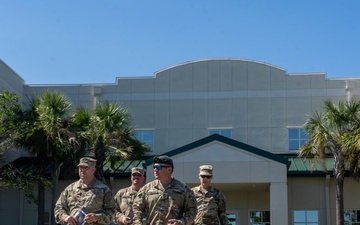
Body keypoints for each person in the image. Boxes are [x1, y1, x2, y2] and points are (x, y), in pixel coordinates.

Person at [132, 155, 197, 225]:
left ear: (169, 169)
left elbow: (192, 210)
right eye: (154, 167)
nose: (155, 170)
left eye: (158, 167)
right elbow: (137, 208)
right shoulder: (146, 189)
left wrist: (181, 222)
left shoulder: (183, 189)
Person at [54, 156, 116, 225]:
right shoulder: (70, 189)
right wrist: (65, 217)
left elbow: (112, 212)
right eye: (81, 167)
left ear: (93, 170)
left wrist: (97, 217)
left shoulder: (104, 190)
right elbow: (58, 208)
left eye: (86, 167)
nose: (82, 170)